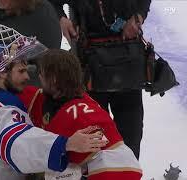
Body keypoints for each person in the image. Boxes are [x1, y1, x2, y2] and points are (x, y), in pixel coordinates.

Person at [0, 24, 108, 180]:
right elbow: (16, 143)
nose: (27, 77)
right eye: (21, 70)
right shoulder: (2, 112)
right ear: (1, 71)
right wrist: (65, 144)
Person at [48, 0, 151, 159]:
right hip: (90, 66)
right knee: (94, 137)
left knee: (131, 135)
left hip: (127, 63)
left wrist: (138, 17)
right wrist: (62, 19)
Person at [18, 49, 142, 180]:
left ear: (53, 80)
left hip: (107, 173)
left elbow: (41, 151)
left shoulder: (66, 117)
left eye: (41, 73)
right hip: (129, 166)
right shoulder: (84, 99)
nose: (39, 77)